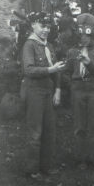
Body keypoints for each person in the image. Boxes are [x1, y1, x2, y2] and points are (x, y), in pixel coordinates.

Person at [21, 12, 65, 178]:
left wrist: (58, 89)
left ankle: (47, 165)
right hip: (34, 92)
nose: (46, 30)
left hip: (48, 91)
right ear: (33, 25)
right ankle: (32, 169)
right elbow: (29, 70)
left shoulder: (49, 46)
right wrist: (50, 70)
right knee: (35, 132)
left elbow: (57, 69)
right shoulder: (29, 45)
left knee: (49, 130)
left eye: (48, 26)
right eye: (42, 26)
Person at [63, 13, 94, 169]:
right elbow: (66, 72)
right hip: (78, 90)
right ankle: (81, 158)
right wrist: (72, 86)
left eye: (87, 34)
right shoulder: (72, 52)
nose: (84, 38)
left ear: (93, 34)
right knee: (79, 126)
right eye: (81, 34)